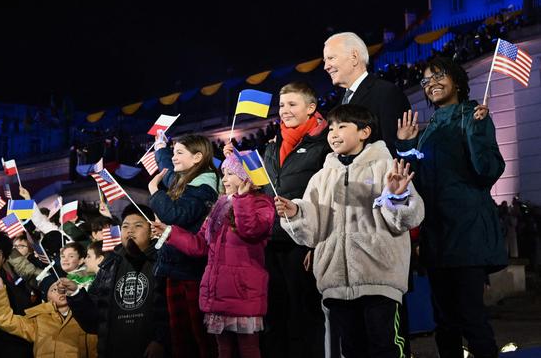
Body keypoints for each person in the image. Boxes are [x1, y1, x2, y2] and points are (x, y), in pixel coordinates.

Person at [275, 104, 425, 358]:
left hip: (380, 282)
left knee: (385, 348)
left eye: (342, 126)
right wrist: (296, 213)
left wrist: (397, 197)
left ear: (365, 131)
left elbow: (409, 218)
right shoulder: (321, 177)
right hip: (335, 284)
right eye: (331, 128)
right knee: (352, 350)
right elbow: (313, 229)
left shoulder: (386, 167)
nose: (333, 133)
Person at [396, 56, 505, 358]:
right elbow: (415, 179)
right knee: (444, 323)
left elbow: (488, 170)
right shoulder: (428, 128)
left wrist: (477, 131)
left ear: (457, 80)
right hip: (437, 236)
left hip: (467, 234)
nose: (431, 84)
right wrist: (405, 144)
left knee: (472, 319)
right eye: (425, 80)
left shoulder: (474, 115)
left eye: (438, 76)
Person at [225, 81, 329, 358]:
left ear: (311, 108)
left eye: (292, 104)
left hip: (303, 242)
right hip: (271, 241)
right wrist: (237, 160)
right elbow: (265, 185)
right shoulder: (273, 145)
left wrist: (315, 244)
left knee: (305, 318)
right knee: (275, 317)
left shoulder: (324, 144)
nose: (284, 110)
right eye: (282, 105)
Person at [153, 154, 275, 358]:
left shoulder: (261, 204)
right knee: (223, 351)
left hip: (243, 292)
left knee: (249, 350)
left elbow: (250, 230)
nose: (225, 179)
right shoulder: (219, 207)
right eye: (223, 174)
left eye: (230, 174)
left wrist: (242, 200)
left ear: (246, 177)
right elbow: (200, 245)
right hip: (217, 291)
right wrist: (170, 232)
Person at [61, 204, 169, 358]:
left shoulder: (164, 262)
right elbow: (93, 321)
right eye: (125, 226)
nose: (130, 230)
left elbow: (174, 310)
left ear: (152, 231)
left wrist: (161, 340)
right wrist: (76, 294)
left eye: (138, 225)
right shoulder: (109, 266)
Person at [148, 134, 219, 358]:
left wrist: (154, 190)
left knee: (199, 339)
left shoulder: (203, 188)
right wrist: (160, 148)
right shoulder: (187, 181)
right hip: (177, 269)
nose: (174, 157)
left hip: (192, 272)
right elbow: (169, 171)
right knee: (180, 338)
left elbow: (175, 214)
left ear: (197, 157)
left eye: (179, 152)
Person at [323, 32, 411, 155]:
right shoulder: (341, 100)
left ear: (354, 57)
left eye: (331, 58)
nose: (326, 66)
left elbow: (393, 149)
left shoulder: (386, 93)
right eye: (325, 60)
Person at [0, 273, 98, 357]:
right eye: (54, 289)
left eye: (63, 288)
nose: (60, 291)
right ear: (46, 298)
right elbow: (6, 319)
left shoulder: (85, 314)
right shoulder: (37, 320)